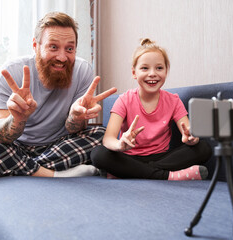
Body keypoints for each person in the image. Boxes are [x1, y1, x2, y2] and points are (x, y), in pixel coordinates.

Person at [0, 12, 116, 184]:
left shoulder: (83, 70)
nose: (62, 57)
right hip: (13, 146)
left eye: (69, 49)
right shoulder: (12, 71)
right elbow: (0, 134)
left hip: (58, 146)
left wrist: (76, 117)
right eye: (53, 47)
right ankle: (51, 174)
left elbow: (75, 130)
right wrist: (17, 119)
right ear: (36, 46)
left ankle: (4, 168)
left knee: (103, 135)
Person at [91, 38, 212, 181]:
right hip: (128, 156)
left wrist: (192, 139)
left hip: (162, 158)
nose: (152, 73)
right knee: (98, 154)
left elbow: (189, 132)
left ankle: (128, 172)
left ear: (166, 71)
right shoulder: (124, 100)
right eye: (145, 68)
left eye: (159, 68)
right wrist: (119, 145)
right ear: (134, 72)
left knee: (203, 148)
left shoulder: (173, 101)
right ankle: (168, 176)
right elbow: (108, 139)